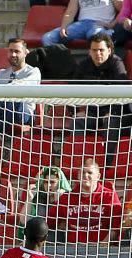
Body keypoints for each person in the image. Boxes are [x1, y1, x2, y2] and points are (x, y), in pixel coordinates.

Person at [71, 33, 129, 165]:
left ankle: (107, 165)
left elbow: (123, 93)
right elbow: (70, 90)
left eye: (101, 50)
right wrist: (78, 110)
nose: (98, 54)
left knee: (111, 121)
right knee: (77, 122)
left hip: (114, 114)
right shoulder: (83, 65)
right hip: (91, 113)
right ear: (89, 51)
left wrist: (114, 111)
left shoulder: (116, 64)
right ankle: (79, 163)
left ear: (109, 50)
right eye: (94, 50)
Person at [47, 159, 122, 243]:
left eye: (89, 172)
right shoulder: (66, 198)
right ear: (78, 176)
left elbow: (116, 228)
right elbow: (49, 222)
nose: (85, 175)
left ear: (98, 176)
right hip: (72, 250)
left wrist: (102, 246)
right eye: (82, 172)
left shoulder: (109, 196)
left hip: (101, 249)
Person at [17, 166, 71, 237]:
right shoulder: (38, 197)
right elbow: (23, 221)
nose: (48, 185)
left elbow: (63, 225)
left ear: (60, 183)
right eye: (46, 182)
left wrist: (58, 201)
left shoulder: (68, 199)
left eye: (52, 182)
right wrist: (29, 199)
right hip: (38, 236)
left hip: (58, 238)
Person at [42, 0, 119, 47]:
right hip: (81, 25)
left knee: (95, 36)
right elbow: (70, 12)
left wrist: (112, 24)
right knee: (48, 38)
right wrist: (63, 26)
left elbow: (123, 10)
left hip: (99, 25)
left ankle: (108, 34)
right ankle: (60, 67)